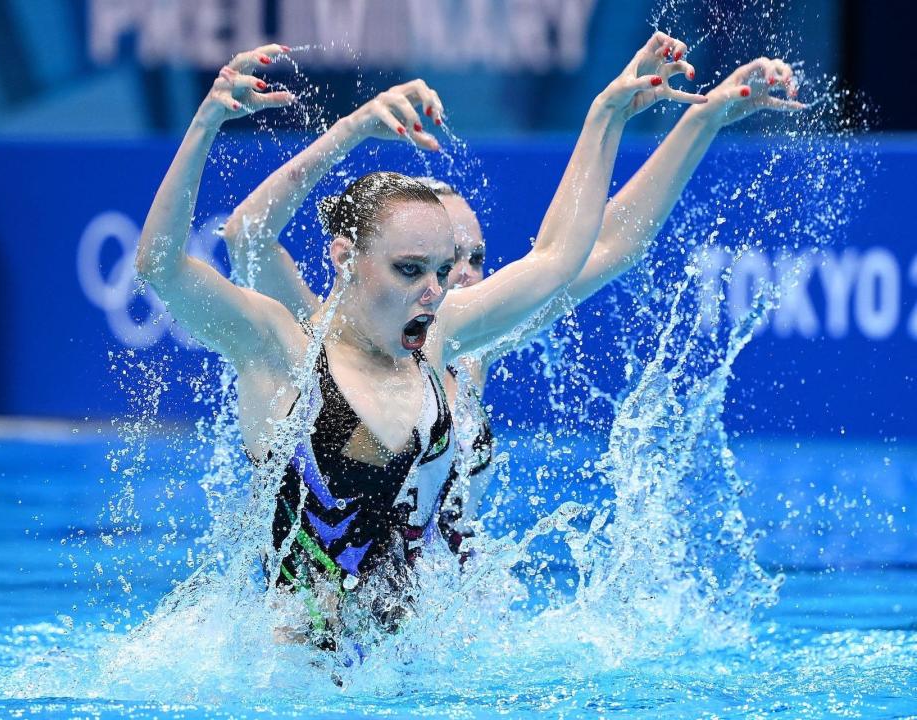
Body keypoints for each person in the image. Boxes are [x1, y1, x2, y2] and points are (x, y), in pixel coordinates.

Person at [135, 35, 706, 638]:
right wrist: (206, 125)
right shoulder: (284, 351)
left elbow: (558, 259)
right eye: (409, 271)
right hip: (296, 683)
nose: (434, 291)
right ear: (346, 259)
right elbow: (163, 268)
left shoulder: (441, 341)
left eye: (442, 271)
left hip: (416, 670)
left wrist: (605, 114)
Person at [219, 55, 803, 554]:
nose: (462, 276)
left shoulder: (472, 340)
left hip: (431, 628)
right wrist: (351, 128)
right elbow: (247, 233)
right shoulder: (314, 335)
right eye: (435, 262)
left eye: (472, 258)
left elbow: (605, 246)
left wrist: (704, 118)